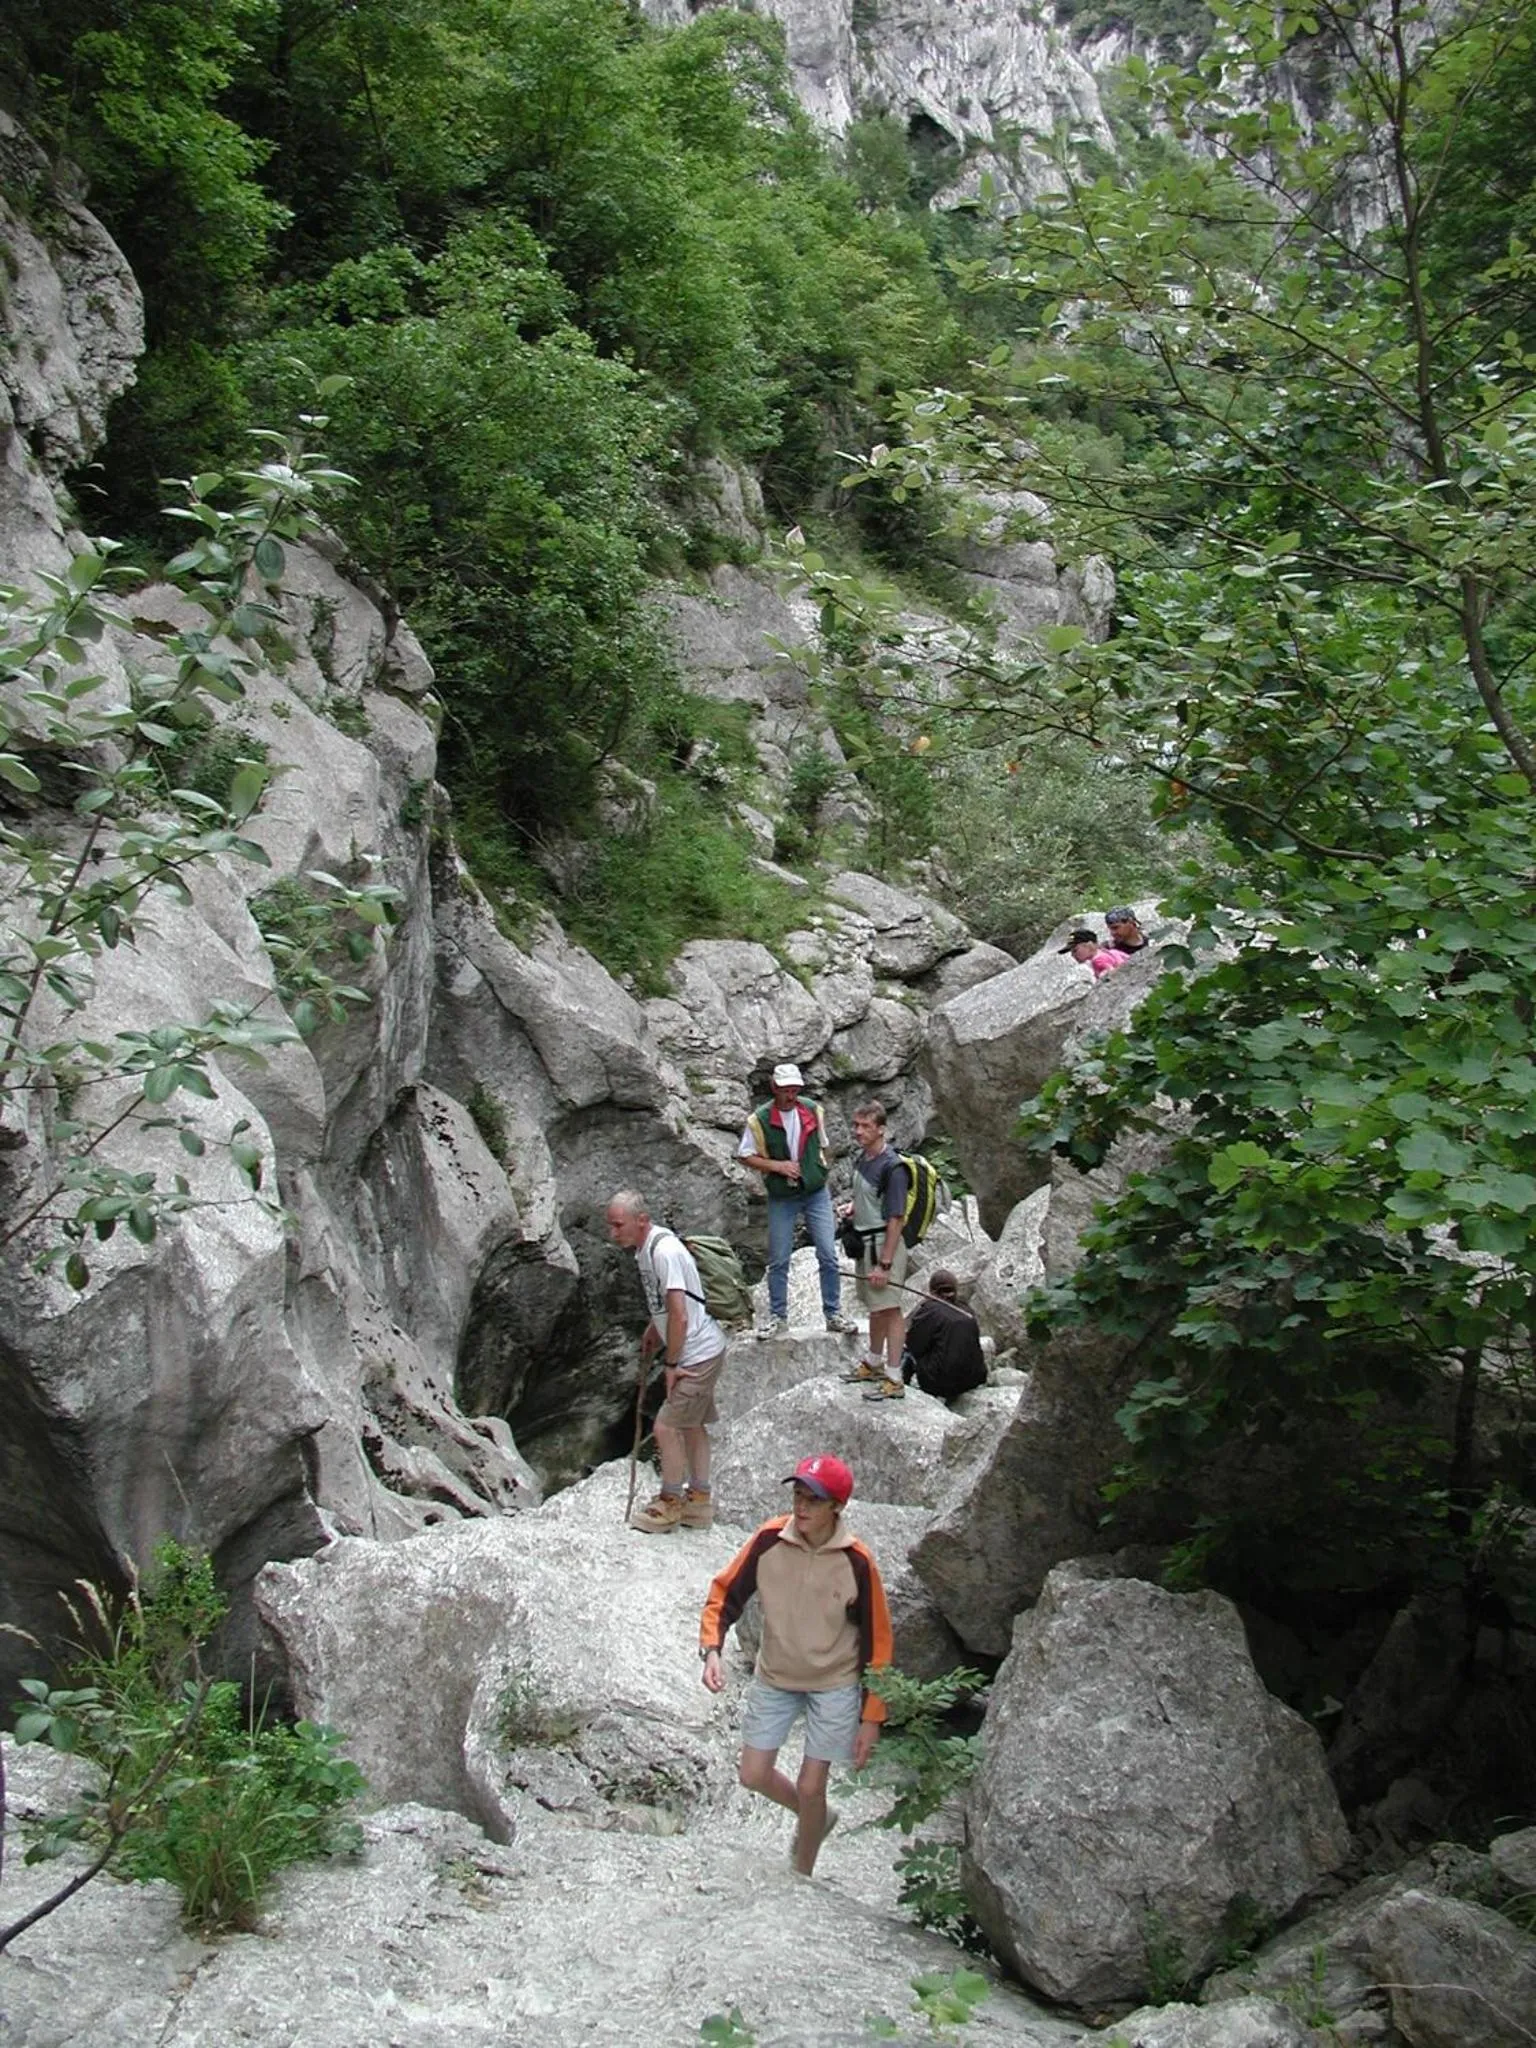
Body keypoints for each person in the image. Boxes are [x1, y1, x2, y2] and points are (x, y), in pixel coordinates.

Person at [699, 1453, 890, 1876]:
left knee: (810, 1785)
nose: (801, 1507)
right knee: (752, 1774)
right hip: (776, 1675)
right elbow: (724, 1593)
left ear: (837, 1507)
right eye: (798, 1496)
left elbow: (878, 1641)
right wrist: (712, 1649)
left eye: (814, 1500)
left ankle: (801, 1876)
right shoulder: (769, 1541)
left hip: (834, 1682)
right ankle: (816, 1819)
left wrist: (871, 1717)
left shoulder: (857, 1562)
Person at [606, 1188, 727, 1534]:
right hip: (700, 1349)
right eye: (611, 1226)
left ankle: (671, 1501)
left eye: (619, 1225)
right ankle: (699, 1501)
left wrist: (672, 1366)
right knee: (691, 1424)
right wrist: (652, 1330)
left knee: (666, 1426)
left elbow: (679, 1314)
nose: (614, 1233)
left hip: (697, 1353)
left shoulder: (665, 1252)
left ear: (642, 1220)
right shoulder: (646, 1250)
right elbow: (670, 1306)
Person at [737, 1062, 857, 1339]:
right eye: (786, 1090)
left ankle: (833, 1313)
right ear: (774, 1088)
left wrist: (820, 1170)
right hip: (783, 1195)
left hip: (815, 1192)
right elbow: (745, 1154)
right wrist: (778, 1166)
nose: (791, 1095)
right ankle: (778, 1317)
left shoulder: (812, 1110)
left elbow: (825, 1145)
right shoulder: (759, 1120)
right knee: (779, 1258)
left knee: (828, 1253)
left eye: (795, 1089)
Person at [840, 1101, 910, 1402]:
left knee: (891, 1309)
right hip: (865, 1241)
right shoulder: (864, 1159)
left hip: (883, 1245)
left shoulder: (892, 1167)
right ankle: (873, 1361)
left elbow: (896, 1218)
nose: (858, 1131)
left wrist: (885, 1264)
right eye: (856, 1125)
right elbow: (867, 1195)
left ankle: (895, 1377)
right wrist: (854, 1207)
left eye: (865, 1126)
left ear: (881, 1129)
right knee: (875, 1306)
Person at [901, 1269, 987, 1402]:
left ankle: (903, 1388)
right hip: (973, 1379)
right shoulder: (967, 1310)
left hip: (940, 1382)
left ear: (932, 1290)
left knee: (907, 1352)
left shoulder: (930, 1310)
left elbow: (914, 1344)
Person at [1059, 927, 1130, 978]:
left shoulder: (1097, 960)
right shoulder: (1112, 952)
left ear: (1089, 945)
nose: (1072, 955)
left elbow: (1110, 976)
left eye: (1075, 950)